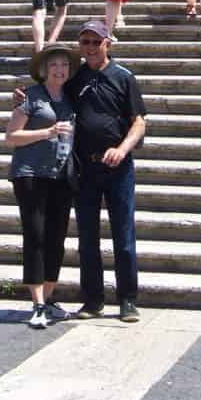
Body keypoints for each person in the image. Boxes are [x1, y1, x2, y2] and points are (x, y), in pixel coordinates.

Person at [66, 19, 147, 323]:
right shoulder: (75, 79)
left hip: (119, 166)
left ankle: (127, 299)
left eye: (95, 42)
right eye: (84, 42)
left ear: (107, 43)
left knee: (123, 235)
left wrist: (122, 149)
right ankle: (92, 299)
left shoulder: (124, 77)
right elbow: (50, 98)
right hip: (86, 167)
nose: (90, 48)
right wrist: (24, 100)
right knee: (87, 237)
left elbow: (139, 121)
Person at [5, 44, 78, 329]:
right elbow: (11, 136)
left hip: (60, 175)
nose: (59, 69)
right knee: (35, 236)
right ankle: (36, 303)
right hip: (30, 175)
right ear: (44, 69)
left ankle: (48, 299)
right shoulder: (31, 97)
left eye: (64, 65)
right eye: (54, 65)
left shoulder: (71, 97)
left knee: (56, 237)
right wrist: (47, 132)